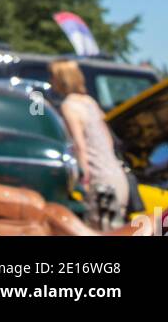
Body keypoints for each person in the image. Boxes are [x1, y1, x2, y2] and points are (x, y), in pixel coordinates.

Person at [50, 59, 131, 229]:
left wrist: (84, 180)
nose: (51, 81)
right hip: (118, 179)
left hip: (100, 182)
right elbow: (108, 140)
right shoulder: (90, 102)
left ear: (61, 80)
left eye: (53, 77)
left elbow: (80, 145)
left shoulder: (69, 105)